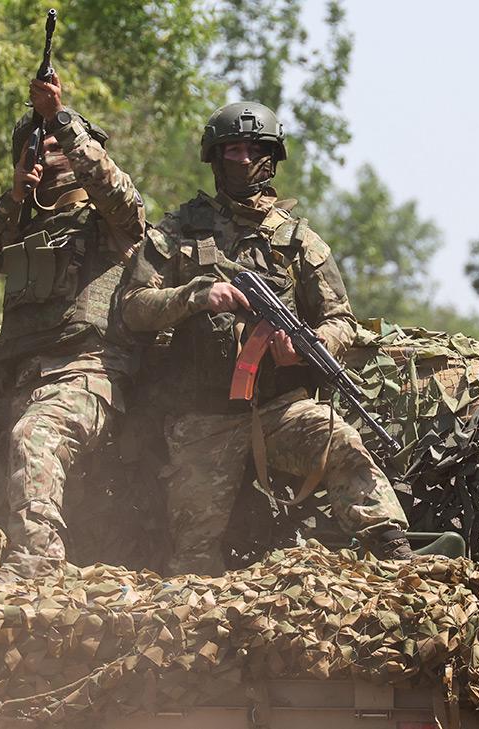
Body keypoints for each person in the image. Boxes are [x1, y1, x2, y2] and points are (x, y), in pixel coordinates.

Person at [120, 101, 413, 576]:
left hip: (282, 408)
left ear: (270, 158)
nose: (239, 160)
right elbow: (133, 306)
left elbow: (340, 318)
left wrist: (309, 344)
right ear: (214, 160)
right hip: (203, 416)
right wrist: (195, 296)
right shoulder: (177, 230)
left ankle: (395, 555)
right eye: (229, 150)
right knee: (192, 556)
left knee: (342, 444)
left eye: (250, 149)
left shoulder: (298, 240)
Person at [0, 73, 145, 578]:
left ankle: (38, 564)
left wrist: (61, 119)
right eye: (37, 146)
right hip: (23, 377)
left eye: (57, 144)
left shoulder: (106, 222)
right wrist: (13, 198)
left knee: (34, 436)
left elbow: (125, 203)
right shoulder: (23, 225)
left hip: (88, 371)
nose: (48, 152)